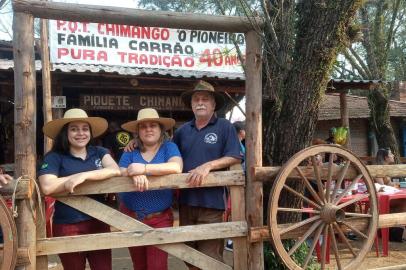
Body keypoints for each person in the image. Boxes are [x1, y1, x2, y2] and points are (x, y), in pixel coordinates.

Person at [38, 108, 120, 270]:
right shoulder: (54, 156)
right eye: (74, 129)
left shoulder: (99, 152)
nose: (80, 133)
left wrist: (82, 176)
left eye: (84, 129)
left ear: (90, 132)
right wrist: (72, 179)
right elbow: (47, 186)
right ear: (65, 133)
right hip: (68, 225)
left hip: (99, 221)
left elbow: (115, 169)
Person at [173, 80, 241, 268]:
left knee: (209, 257)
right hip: (186, 202)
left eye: (205, 99)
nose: (200, 102)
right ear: (192, 105)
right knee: (188, 254)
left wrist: (208, 165)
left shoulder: (224, 126)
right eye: (196, 99)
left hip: (212, 203)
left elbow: (235, 155)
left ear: (213, 105)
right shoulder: (182, 131)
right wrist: (136, 144)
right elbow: (167, 154)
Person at [118, 108, 183, 270]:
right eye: (143, 126)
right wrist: (133, 173)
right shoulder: (130, 150)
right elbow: (120, 170)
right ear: (137, 131)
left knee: (157, 266)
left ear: (161, 129)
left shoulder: (169, 147)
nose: (148, 129)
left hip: (160, 218)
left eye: (153, 125)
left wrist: (144, 169)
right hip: (130, 217)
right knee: (138, 265)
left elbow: (176, 167)